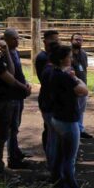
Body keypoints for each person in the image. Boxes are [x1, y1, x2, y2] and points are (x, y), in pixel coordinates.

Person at [0, 25, 32, 175]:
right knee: (0, 136)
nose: (0, 39)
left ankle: (0, 166)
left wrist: (6, 52)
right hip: (0, 101)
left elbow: (11, 71)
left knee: (3, 134)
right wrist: (24, 88)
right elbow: (11, 79)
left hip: (1, 100)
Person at [48, 44, 91, 188]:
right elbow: (84, 91)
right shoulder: (64, 77)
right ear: (62, 59)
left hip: (57, 118)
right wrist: (75, 77)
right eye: (69, 56)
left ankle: (58, 187)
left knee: (59, 155)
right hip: (68, 121)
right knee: (69, 159)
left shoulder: (53, 73)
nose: (72, 58)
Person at [4, 28, 30, 161]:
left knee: (16, 124)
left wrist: (26, 82)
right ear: (6, 40)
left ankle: (16, 150)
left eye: (18, 38)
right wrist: (23, 86)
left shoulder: (16, 52)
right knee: (12, 127)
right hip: (12, 95)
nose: (17, 40)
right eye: (14, 38)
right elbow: (11, 77)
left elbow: (19, 72)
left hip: (19, 94)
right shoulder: (5, 56)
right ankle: (11, 157)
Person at [35, 30, 59, 166]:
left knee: (51, 131)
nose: (56, 44)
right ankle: (51, 161)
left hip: (49, 100)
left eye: (57, 41)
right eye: (53, 42)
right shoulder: (44, 59)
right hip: (49, 101)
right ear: (45, 42)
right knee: (51, 132)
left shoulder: (50, 58)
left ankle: (52, 160)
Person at [71, 33, 94, 139]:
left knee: (81, 110)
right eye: (76, 39)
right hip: (72, 88)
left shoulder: (84, 54)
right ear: (71, 40)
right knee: (73, 109)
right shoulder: (68, 54)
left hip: (83, 85)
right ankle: (74, 131)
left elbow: (85, 69)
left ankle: (80, 130)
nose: (79, 42)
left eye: (81, 40)